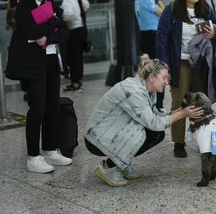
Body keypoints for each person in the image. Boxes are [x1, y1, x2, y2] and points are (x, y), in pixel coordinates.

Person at [85, 56, 204, 187]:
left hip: (111, 132)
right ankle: (108, 168)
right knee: (147, 132)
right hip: (97, 138)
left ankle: (121, 164)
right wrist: (182, 114)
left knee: (156, 134)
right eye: (164, 78)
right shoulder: (134, 91)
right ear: (152, 77)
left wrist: (175, 112)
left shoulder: (146, 89)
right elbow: (153, 123)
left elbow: (153, 114)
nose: (167, 82)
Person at [5, 0, 71, 174]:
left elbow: (65, 32)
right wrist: (53, 21)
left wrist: (48, 36)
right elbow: (32, 31)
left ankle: (50, 149)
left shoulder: (52, 5)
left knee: (52, 106)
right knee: (37, 109)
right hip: (32, 63)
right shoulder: (23, 5)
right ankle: (33, 156)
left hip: (51, 60)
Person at [156, 0, 216, 158]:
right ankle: (178, 142)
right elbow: (161, 38)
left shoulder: (205, 8)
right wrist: (164, 64)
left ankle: (202, 137)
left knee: (201, 101)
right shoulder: (172, 11)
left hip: (201, 63)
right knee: (179, 102)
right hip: (179, 63)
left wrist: (213, 33)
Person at [135, 0, 165, 109]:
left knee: (149, 71)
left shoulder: (138, 0)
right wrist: (158, 0)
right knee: (157, 71)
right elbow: (164, 14)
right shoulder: (147, 0)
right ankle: (157, 103)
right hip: (153, 37)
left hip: (145, 36)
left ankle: (153, 103)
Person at [59, 0, 90, 92]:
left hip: (73, 32)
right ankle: (77, 80)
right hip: (81, 30)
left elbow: (68, 15)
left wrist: (64, 20)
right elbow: (86, 5)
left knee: (72, 59)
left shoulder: (67, 1)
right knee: (78, 58)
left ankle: (75, 83)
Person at [6, 0, 30, 103]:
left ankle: (26, 89)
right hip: (33, 35)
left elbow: (8, 19)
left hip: (17, 35)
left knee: (22, 63)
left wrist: (14, 26)